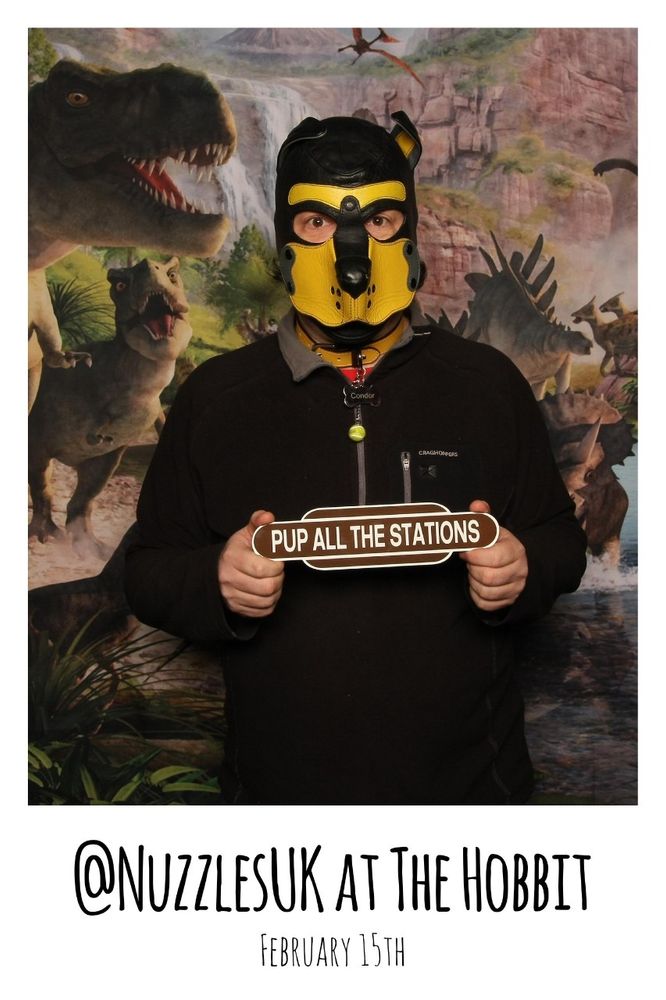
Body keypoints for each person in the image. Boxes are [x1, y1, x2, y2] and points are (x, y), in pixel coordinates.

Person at [124, 112, 587, 805]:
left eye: (377, 222)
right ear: (285, 242)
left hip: (472, 803)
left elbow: (563, 542)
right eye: (316, 223)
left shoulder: (488, 384)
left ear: (410, 234)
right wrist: (214, 581)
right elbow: (147, 571)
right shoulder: (215, 399)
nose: (349, 250)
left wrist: (525, 568)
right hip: (282, 810)